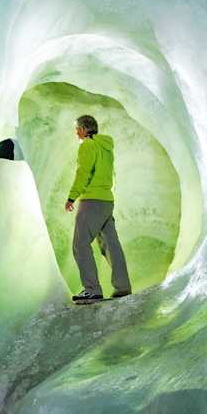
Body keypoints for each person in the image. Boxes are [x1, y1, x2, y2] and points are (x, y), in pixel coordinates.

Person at [65, 115, 131, 304]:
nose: (76, 132)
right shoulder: (107, 147)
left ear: (85, 129)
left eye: (77, 128)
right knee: (111, 245)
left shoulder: (87, 145)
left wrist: (72, 197)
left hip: (92, 201)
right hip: (107, 201)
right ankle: (123, 287)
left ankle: (92, 290)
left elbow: (83, 173)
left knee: (80, 244)